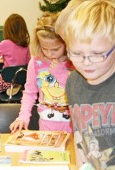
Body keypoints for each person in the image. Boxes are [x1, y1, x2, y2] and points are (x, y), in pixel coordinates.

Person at [55, 0, 115, 169]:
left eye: (97, 54)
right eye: (76, 53)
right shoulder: (73, 82)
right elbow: (79, 134)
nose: (86, 62)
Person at [9, 12, 74, 134]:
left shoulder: (74, 62)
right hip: (46, 122)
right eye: (44, 48)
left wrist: (61, 74)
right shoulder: (35, 63)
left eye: (55, 49)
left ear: (66, 43)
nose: (49, 54)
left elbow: (80, 90)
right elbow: (29, 93)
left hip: (73, 124)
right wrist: (23, 117)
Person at [0, 13, 31, 106]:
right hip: (20, 82)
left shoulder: (5, 43)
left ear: (7, 29)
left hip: (6, 82)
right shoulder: (25, 45)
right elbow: (28, 63)